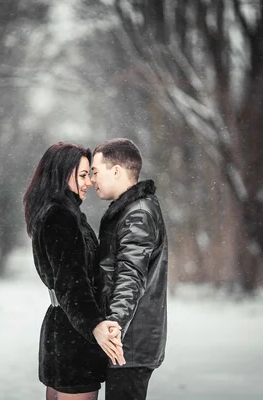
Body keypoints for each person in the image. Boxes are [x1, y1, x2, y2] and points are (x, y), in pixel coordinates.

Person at [23, 142, 125, 400]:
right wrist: (95, 325)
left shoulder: (60, 213)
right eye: (82, 175)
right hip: (74, 338)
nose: (89, 181)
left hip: (62, 329)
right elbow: (71, 283)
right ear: (60, 175)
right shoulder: (61, 217)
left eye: (89, 174)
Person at [90, 138, 168, 400]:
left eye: (95, 171)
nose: (91, 180)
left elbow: (130, 275)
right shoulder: (132, 209)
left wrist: (114, 324)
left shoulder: (138, 213)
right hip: (130, 341)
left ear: (116, 171)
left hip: (130, 344)